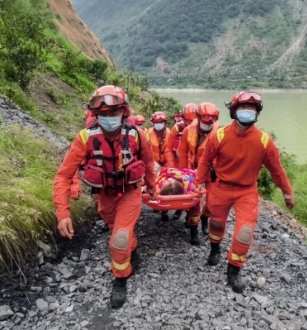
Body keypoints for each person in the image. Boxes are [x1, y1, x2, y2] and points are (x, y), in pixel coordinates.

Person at [53, 85, 157, 308]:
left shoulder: (137, 135)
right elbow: (63, 175)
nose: (109, 118)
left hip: (130, 193)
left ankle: (121, 278)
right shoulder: (85, 138)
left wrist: (152, 187)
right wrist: (63, 212)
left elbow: (148, 163)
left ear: (124, 112)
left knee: (119, 239)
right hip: (105, 196)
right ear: (95, 114)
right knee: (118, 231)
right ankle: (133, 248)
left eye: (114, 112)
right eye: (103, 114)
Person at [195, 90, 295, 294]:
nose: (247, 111)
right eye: (243, 108)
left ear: (257, 113)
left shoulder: (264, 141)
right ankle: (214, 249)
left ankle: (233, 270)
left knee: (245, 233)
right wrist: (198, 182)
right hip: (221, 187)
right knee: (216, 224)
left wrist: (287, 193)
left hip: (247, 191)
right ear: (234, 111)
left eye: (251, 108)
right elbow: (205, 160)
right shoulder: (220, 135)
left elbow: (277, 170)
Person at [178, 102, 220, 236]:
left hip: (211, 171)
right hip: (192, 168)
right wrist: (184, 173)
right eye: (204, 121)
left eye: (210, 122)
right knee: (191, 197)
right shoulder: (187, 130)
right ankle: (193, 225)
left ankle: (205, 217)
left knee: (212, 201)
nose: (207, 124)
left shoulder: (219, 134)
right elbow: (183, 152)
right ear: (198, 118)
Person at [154, 167, 201, 245]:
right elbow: (149, 190)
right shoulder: (159, 186)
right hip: (167, 174)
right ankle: (164, 212)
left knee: (194, 209)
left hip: (186, 176)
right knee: (163, 201)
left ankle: (194, 232)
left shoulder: (189, 188)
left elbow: (197, 202)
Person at [147, 111, 171, 221]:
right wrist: (152, 162)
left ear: (165, 123)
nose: (159, 124)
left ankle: (164, 210)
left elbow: (171, 150)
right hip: (153, 162)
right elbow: (145, 150)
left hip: (166, 162)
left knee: (165, 184)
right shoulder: (148, 133)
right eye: (156, 122)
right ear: (153, 123)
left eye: (161, 122)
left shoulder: (170, 133)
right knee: (153, 182)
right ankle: (155, 201)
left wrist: (170, 166)